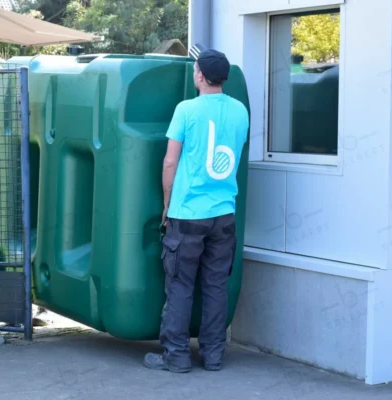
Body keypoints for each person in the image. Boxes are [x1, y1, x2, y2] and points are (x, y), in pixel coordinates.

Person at [143, 48, 249, 373]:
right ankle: (213, 356)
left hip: (188, 214)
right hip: (224, 215)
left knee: (180, 285)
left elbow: (170, 160)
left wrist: (166, 203)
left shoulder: (186, 109)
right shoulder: (240, 111)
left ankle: (176, 356)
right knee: (215, 285)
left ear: (200, 76)